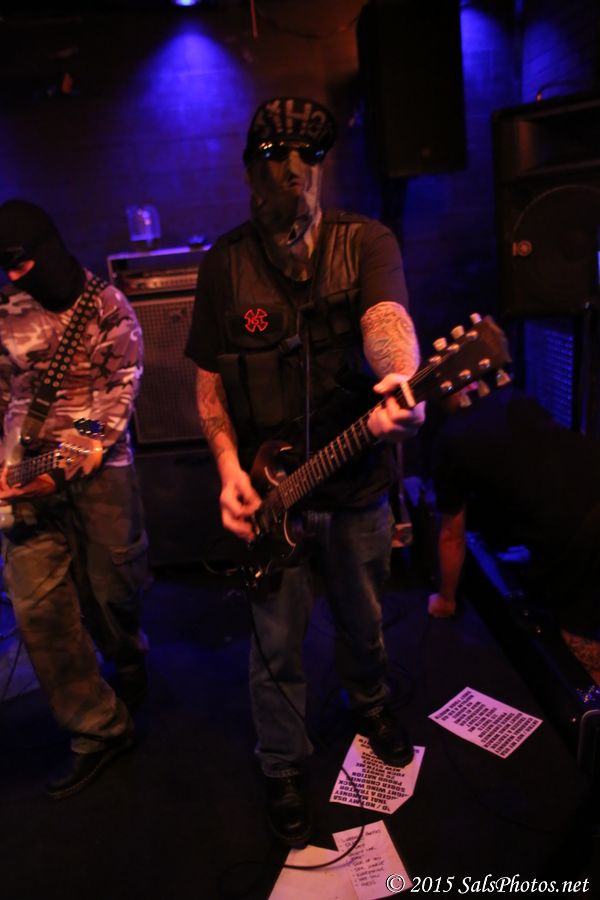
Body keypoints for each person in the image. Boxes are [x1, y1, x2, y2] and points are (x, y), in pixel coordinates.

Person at [185, 96, 423, 847]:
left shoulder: (366, 241)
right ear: (250, 169)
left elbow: (387, 322)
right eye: (276, 155)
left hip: (354, 482)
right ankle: (283, 762)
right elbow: (208, 383)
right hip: (272, 492)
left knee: (365, 618)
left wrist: (399, 376)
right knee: (275, 643)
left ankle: (371, 703)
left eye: (308, 155)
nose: (294, 170)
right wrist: (228, 467)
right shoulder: (224, 265)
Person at [0, 199, 149, 799]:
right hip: (20, 478)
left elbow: (112, 407)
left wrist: (57, 457)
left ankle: (127, 655)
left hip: (99, 471)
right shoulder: (5, 312)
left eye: (23, 262)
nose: (16, 276)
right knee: (38, 608)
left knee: (112, 592)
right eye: (6, 267)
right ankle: (97, 728)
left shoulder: (110, 310)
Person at [427, 378, 600, 684]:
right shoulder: (514, 396)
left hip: (577, 534)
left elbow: (452, 535)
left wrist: (445, 600)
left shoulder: (450, 439)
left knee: (585, 644)